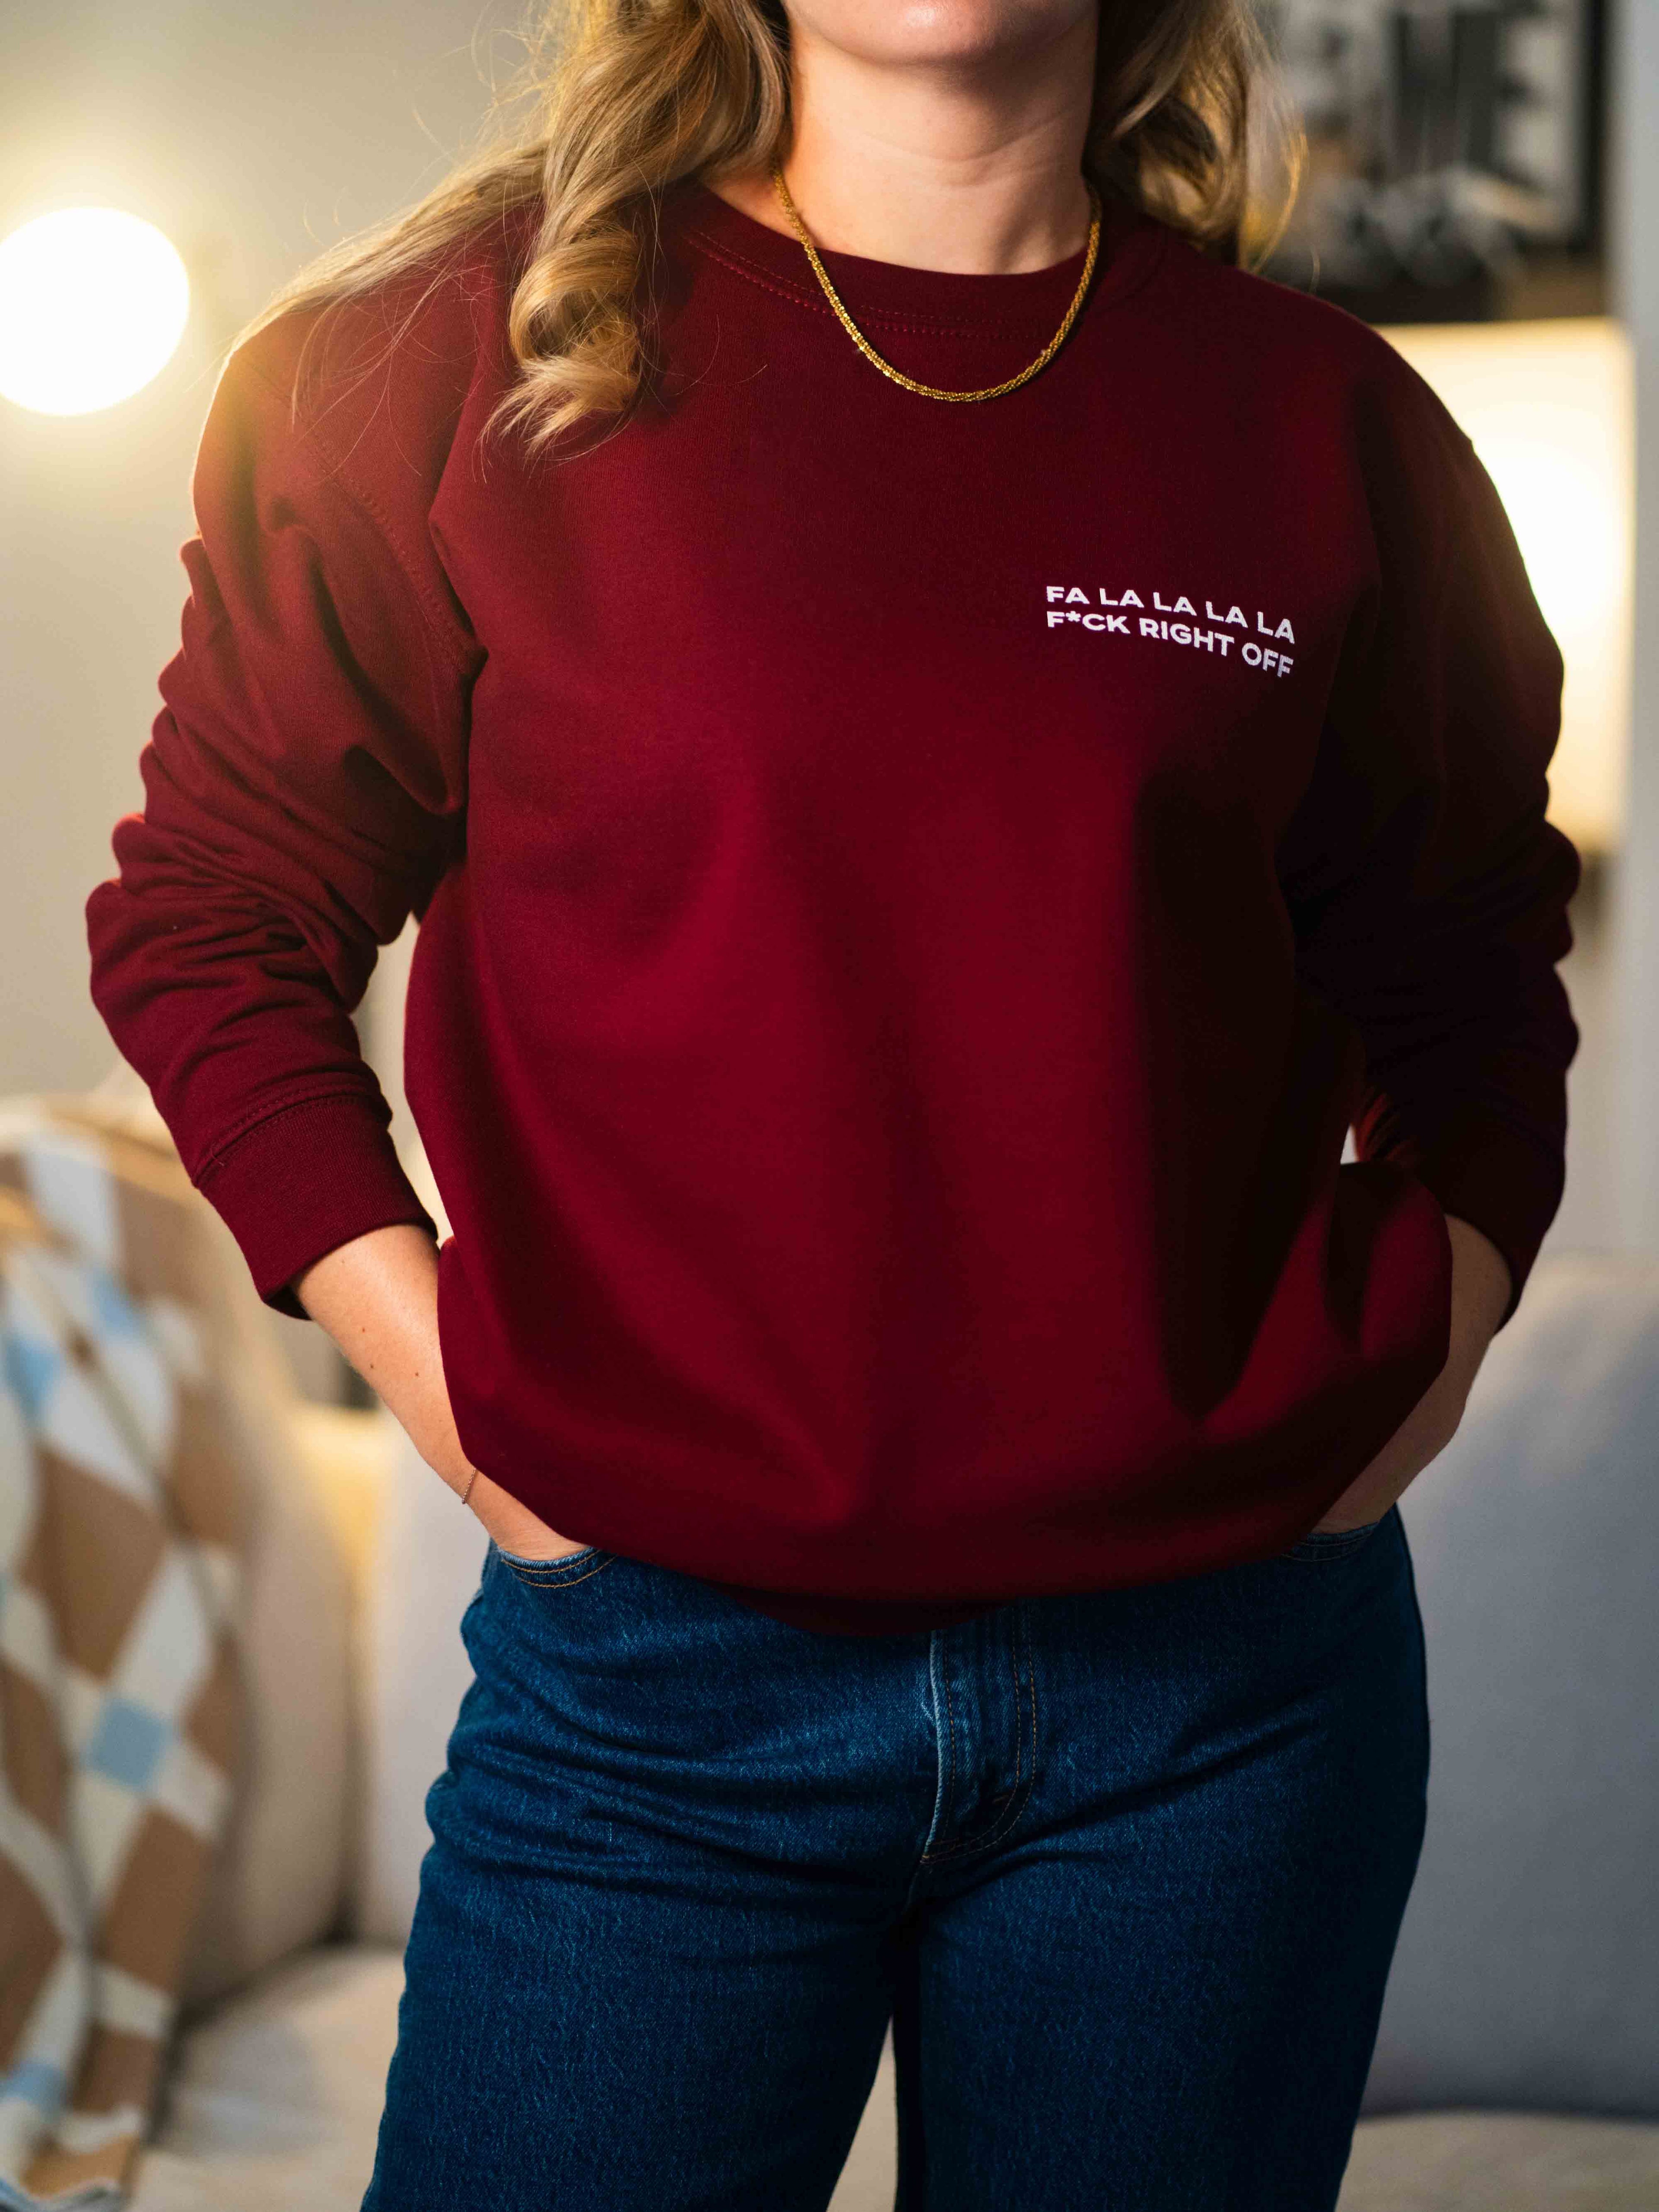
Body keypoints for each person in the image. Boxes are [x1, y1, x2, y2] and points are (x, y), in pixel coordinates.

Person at [86, 0, 1580, 2205]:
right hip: (659, 1700)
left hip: (1223, 1707)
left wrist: (1423, 1361)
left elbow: (1469, 975)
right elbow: (211, 915)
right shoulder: (438, 369)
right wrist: (452, 1385)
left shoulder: (1329, 431)